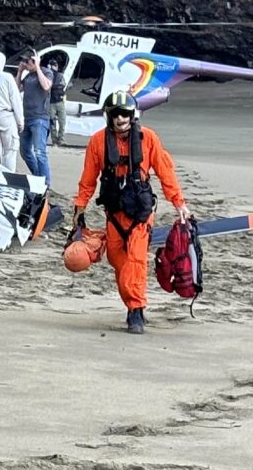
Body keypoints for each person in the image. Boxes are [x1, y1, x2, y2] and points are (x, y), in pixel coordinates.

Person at [71, 90, 191, 335]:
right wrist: (80, 209)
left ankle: (136, 311)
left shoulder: (149, 139)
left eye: (124, 114)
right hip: (114, 214)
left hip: (140, 213)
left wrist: (179, 203)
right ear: (109, 117)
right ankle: (132, 302)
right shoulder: (97, 142)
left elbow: (165, 172)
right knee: (118, 261)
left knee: (135, 261)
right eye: (116, 114)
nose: (120, 119)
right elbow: (88, 179)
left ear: (132, 116)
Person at [16, 49, 53, 186]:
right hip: (26, 117)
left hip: (40, 118)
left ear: (35, 60)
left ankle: (46, 183)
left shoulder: (45, 72)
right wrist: (20, 72)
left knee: (39, 152)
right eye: (24, 61)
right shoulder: (28, 76)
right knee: (25, 151)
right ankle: (38, 177)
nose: (26, 64)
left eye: (28, 61)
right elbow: (15, 89)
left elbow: (46, 86)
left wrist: (37, 66)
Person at [47, 58, 67, 146]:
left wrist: (53, 86)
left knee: (62, 121)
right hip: (52, 102)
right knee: (52, 122)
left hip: (59, 101)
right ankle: (55, 140)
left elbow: (63, 85)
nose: (56, 67)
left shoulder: (59, 75)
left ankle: (61, 139)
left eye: (56, 65)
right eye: (54, 65)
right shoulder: (48, 75)